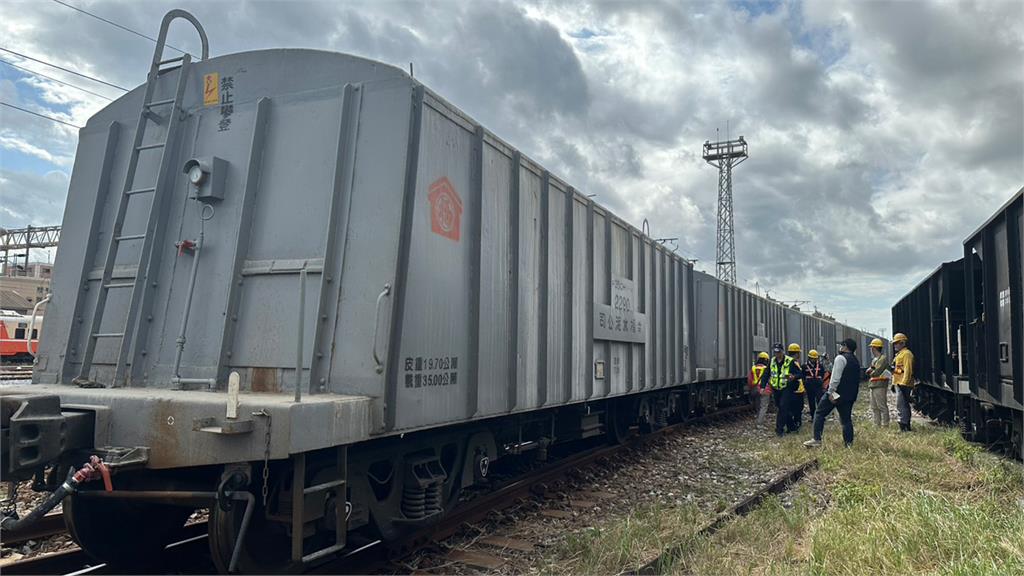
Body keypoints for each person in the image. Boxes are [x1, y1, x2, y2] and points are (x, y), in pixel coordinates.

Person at [804, 338, 862, 448]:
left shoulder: (840, 358)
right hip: (849, 395)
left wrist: (830, 392)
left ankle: (817, 439)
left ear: (845, 346)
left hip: (836, 393)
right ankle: (848, 444)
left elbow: (835, 378)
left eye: (841, 345)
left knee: (820, 413)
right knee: (846, 420)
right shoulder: (855, 360)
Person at [769, 343, 801, 436]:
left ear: (782, 351)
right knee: (781, 408)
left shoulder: (789, 361)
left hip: (787, 388)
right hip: (776, 389)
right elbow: (767, 373)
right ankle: (792, 427)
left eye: (778, 352)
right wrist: (763, 386)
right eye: (775, 352)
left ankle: (779, 429)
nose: (777, 354)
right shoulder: (772, 361)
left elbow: (800, 374)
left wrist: (793, 376)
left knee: (783, 407)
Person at [891, 333, 915, 431]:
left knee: (902, 405)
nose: (895, 345)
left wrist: (904, 383)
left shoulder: (907, 354)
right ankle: (904, 424)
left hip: (903, 384)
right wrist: (894, 382)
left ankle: (904, 425)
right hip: (899, 383)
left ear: (902, 342)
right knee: (902, 404)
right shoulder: (899, 355)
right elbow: (898, 370)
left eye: (896, 343)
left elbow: (908, 370)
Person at [865, 338, 890, 427]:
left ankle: (885, 424)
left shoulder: (882, 359)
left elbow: (876, 372)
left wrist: (871, 372)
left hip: (880, 385)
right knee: (874, 407)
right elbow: (871, 370)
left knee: (882, 406)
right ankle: (877, 424)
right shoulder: (875, 359)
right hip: (873, 385)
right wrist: (871, 371)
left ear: (874, 348)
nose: (871, 349)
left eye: (872, 347)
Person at [803, 349, 829, 424]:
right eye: (812, 358)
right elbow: (803, 376)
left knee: (820, 401)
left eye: (815, 358)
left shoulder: (820, 365)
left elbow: (823, 374)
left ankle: (821, 416)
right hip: (809, 387)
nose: (813, 360)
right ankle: (813, 417)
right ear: (809, 358)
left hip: (818, 386)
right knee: (811, 403)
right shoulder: (804, 366)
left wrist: (824, 386)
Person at [748, 352, 772, 425]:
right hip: (764, 389)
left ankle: (758, 418)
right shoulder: (767, 369)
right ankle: (759, 422)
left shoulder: (753, 368)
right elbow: (770, 379)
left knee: (757, 405)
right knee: (763, 406)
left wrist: (751, 388)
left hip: (754, 389)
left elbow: (749, 379)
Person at [787, 343, 806, 431]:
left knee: (793, 408)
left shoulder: (790, 362)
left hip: (796, 390)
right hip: (796, 390)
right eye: (799, 353)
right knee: (797, 409)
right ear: (796, 353)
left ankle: (793, 425)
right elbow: (798, 375)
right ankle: (795, 424)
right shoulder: (792, 363)